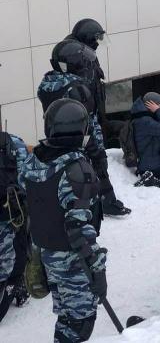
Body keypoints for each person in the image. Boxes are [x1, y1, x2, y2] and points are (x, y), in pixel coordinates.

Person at [19, 99, 106, 343]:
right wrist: (97, 269)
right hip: (72, 261)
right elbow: (78, 228)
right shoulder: (76, 169)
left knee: (67, 318)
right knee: (80, 323)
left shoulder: (35, 162)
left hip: (47, 255)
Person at [38, 39, 130, 216]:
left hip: (56, 137)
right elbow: (85, 120)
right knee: (94, 169)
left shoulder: (47, 85)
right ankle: (104, 204)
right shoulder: (77, 88)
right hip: (83, 138)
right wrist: (95, 149)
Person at [0, 132, 29, 321]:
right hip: (12, 214)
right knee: (18, 251)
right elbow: (27, 178)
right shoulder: (14, 142)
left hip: (10, 214)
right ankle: (17, 286)